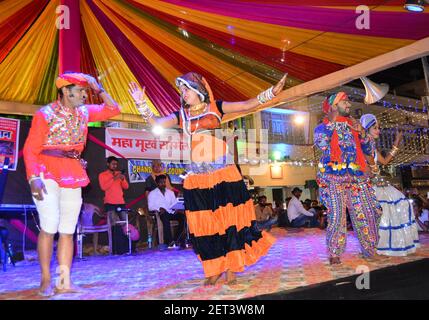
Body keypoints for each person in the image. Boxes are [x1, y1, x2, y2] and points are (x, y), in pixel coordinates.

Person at [128, 72, 284, 285]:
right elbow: (156, 122)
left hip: (223, 174)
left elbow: (247, 104)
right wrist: (140, 103)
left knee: (229, 221)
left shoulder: (216, 107)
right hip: (197, 177)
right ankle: (214, 268)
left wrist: (270, 93)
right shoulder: (181, 115)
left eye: (186, 89)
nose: (183, 94)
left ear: (198, 89)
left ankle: (231, 267)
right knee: (205, 226)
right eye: (181, 91)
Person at [23, 72, 120, 296]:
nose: (85, 95)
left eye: (87, 91)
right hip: (44, 171)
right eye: (82, 90)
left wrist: (99, 88)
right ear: (66, 91)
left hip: (72, 171)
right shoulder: (45, 114)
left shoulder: (84, 112)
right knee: (49, 224)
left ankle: (64, 281)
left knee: (67, 229)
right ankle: (46, 280)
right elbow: (30, 150)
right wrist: (33, 178)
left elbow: (114, 110)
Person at [313, 92, 382, 264]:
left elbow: (368, 149)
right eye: (345, 102)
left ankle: (370, 248)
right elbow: (321, 144)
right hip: (333, 177)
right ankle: (335, 252)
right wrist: (332, 123)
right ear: (334, 106)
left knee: (370, 211)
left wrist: (363, 134)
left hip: (357, 177)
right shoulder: (323, 126)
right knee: (337, 216)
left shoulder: (354, 125)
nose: (349, 105)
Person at [360, 114, 419, 256]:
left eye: (379, 128)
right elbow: (367, 169)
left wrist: (397, 142)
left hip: (380, 184)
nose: (378, 131)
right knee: (383, 214)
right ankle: (378, 245)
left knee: (403, 203)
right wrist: (372, 170)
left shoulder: (372, 147)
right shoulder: (363, 147)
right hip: (370, 187)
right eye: (375, 128)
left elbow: (385, 161)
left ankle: (394, 243)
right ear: (367, 129)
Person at [147, 175, 186, 249]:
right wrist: (159, 208)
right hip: (160, 214)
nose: (163, 184)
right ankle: (169, 241)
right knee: (164, 216)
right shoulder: (152, 193)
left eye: (164, 182)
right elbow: (150, 207)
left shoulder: (170, 192)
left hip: (171, 212)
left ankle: (176, 240)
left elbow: (174, 203)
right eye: (161, 182)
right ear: (157, 183)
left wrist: (176, 208)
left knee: (183, 218)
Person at [98, 156, 130, 224]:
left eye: (116, 164)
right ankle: (113, 235)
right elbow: (103, 187)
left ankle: (124, 235)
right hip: (109, 203)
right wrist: (114, 178)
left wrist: (123, 179)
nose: (115, 166)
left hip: (121, 202)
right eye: (113, 164)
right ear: (108, 164)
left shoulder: (118, 173)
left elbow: (126, 187)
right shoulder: (102, 175)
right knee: (113, 224)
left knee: (124, 223)